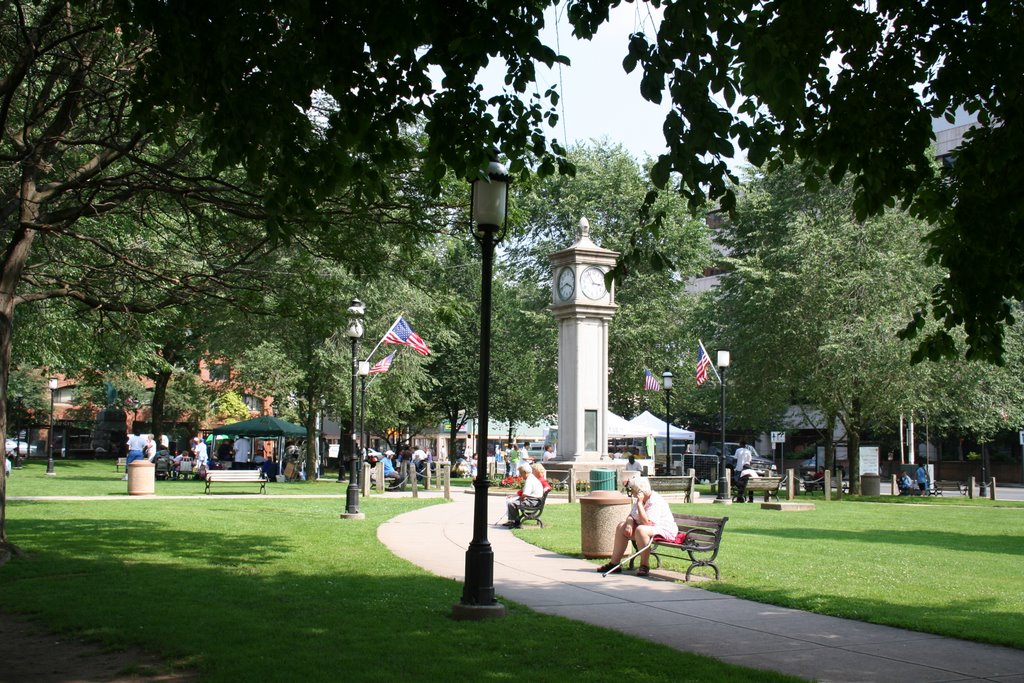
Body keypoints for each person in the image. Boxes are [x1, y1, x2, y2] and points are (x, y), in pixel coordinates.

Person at [598, 476, 678, 577]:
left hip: (663, 529)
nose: (632, 492)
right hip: (646, 528)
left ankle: (644, 565)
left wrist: (640, 504)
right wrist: (629, 523)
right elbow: (631, 515)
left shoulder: (655, 501)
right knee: (621, 526)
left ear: (640, 491)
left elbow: (646, 523)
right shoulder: (641, 499)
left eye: (633, 490)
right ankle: (614, 563)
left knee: (641, 530)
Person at [504, 462, 543, 529]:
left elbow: (525, 494)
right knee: (513, 502)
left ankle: (515, 522)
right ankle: (514, 521)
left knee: (511, 503)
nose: (520, 475)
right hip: (536, 500)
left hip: (533, 501)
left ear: (525, 472)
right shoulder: (532, 478)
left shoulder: (529, 480)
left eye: (521, 473)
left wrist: (518, 499)